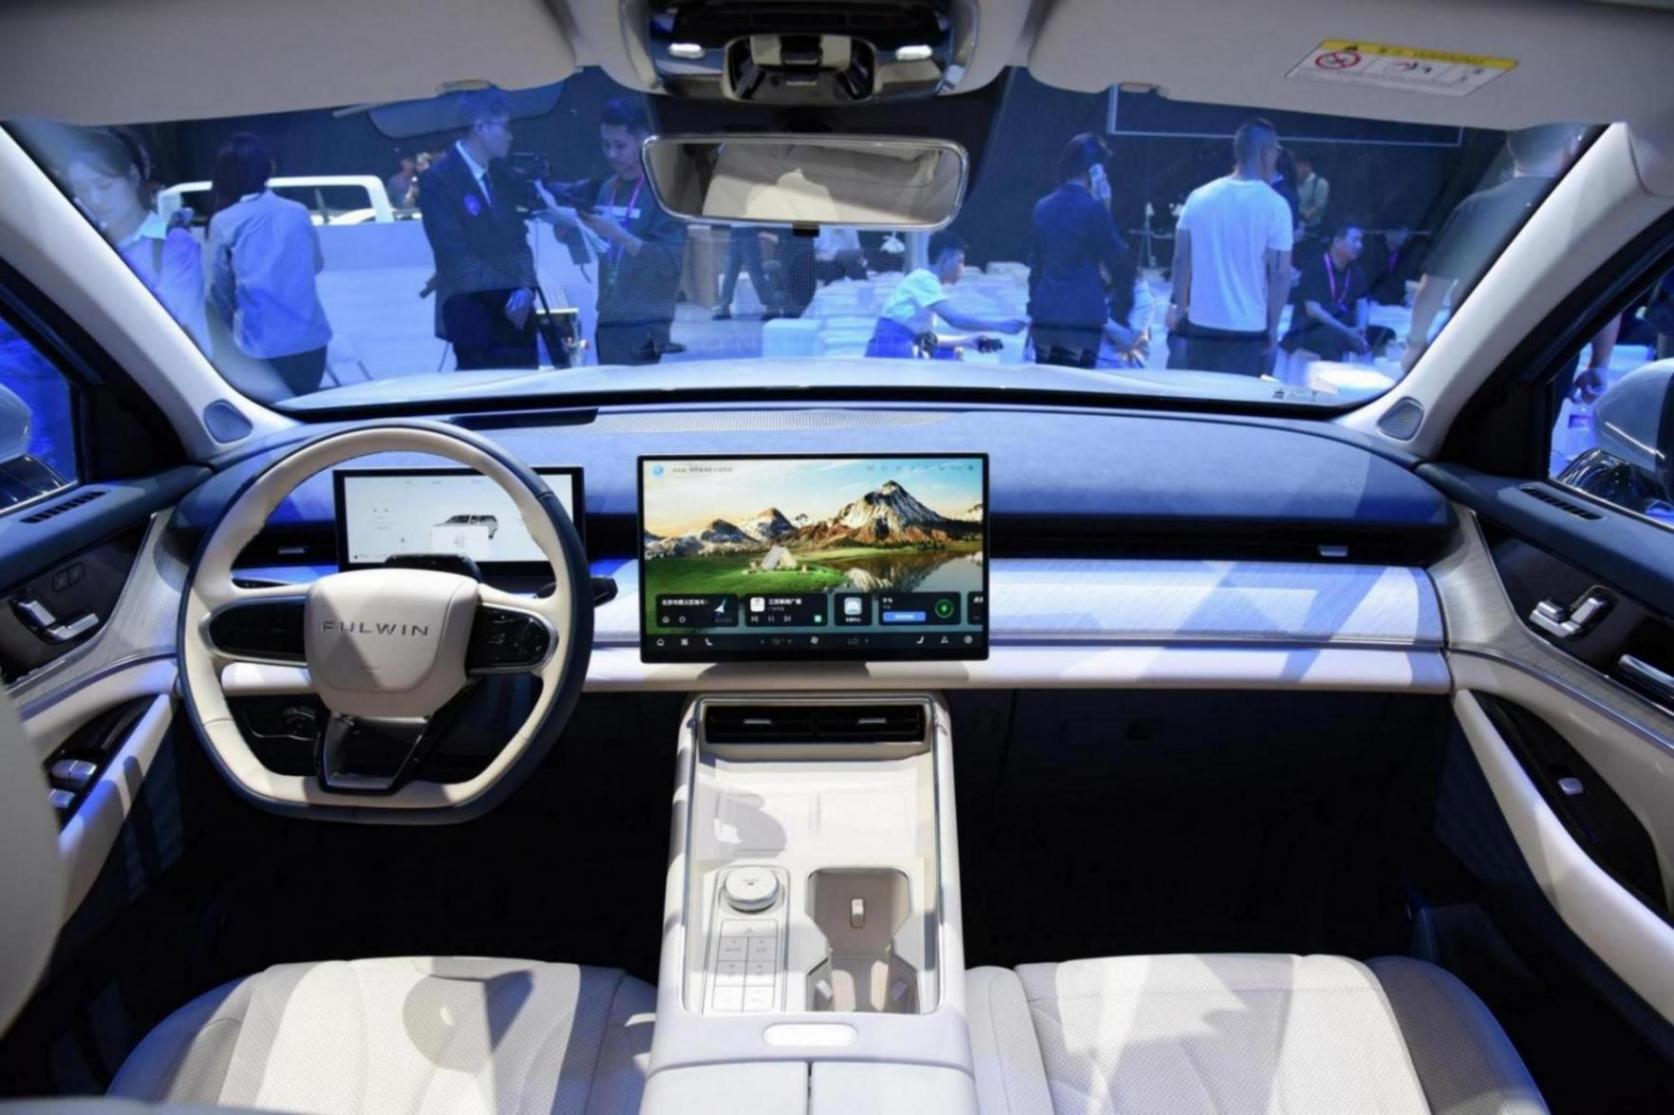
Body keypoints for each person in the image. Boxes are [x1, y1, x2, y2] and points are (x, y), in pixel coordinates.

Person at [1402, 124, 1586, 375]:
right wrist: (1599, 363)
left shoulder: (1477, 208)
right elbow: (1602, 283)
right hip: (1554, 350)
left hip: (1477, 346)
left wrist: (1415, 344)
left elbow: (1432, 288)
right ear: (1570, 146)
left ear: (1510, 148)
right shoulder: (1582, 207)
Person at [417, 89, 543, 370]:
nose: (510, 136)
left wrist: (526, 289)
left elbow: (519, 240)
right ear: (481, 128)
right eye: (505, 127)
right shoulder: (438, 180)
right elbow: (454, 255)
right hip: (474, 317)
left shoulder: (500, 174)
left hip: (518, 317)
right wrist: (508, 296)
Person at [207, 133, 334, 395]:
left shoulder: (225, 221)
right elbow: (316, 264)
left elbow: (219, 292)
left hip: (263, 347)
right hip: (312, 342)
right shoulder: (297, 211)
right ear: (269, 168)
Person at [1168, 119, 1295, 377]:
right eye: (1276, 151)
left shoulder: (1198, 197)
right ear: (1266, 153)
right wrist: (1272, 326)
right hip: (1249, 328)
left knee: (1201, 395)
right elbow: (1281, 273)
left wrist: (1181, 310)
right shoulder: (1276, 205)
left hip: (1201, 323)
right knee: (1238, 397)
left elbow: (1181, 259)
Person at [63, 129, 210, 352]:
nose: (95, 199)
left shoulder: (172, 243)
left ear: (132, 176)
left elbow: (172, 325)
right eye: (82, 189)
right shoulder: (85, 245)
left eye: (104, 185)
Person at [565, 98, 687, 365]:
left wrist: (619, 234)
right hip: (609, 319)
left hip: (648, 323)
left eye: (620, 146)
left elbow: (670, 263)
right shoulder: (608, 188)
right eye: (605, 145)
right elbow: (600, 252)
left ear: (643, 140)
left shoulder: (664, 192)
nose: (611, 154)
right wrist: (571, 232)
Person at [1027, 134, 1131, 368]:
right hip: (1081, 318)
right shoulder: (1093, 209)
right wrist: (1106, 204)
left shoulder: (1042, 206)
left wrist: (1034, 307)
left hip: (1045, 313)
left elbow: (1036, 265)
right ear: (1096, 170)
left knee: (1046, 381)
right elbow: (1116, 257)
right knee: (1075, 383)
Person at [864, 231, 1025, 358]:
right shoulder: (924, 279)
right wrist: (998, 326)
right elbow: (955, 320)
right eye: (960, 261)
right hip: (892, 352)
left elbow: (925, 338)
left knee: (952, 352)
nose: (962, 268)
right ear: (944, 260)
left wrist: (968, 341)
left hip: (896, 348)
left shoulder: (924, 282)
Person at [1282, 221, 1372, 362]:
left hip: (1343, 326)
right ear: (1337, 242)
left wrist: (1361, 329)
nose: (1359, 246)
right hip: (1312, 328)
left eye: (1361, 241)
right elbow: (1313, 311)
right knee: (1333, 338)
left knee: (1384, 334)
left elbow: (1362, 303)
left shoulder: (1356, 270)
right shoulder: (1315, 266)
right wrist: (1348, 333)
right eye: (1355, 240)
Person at [713, 225, 776, 320]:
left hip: (749, 231)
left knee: (756, 274)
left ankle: (772, 307)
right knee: (729, 273)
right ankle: (724, 307)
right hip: (735, 232)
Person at [1295, 155, 1329, 236]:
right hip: (1293, 225)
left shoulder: (1320, 183)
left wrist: (1302, 218)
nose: (1295, 170)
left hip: (1310, 229)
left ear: (1307, 167)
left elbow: (1319, 205)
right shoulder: (1294, 181)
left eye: (1298, 167)